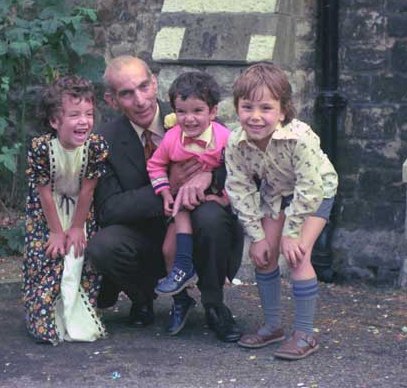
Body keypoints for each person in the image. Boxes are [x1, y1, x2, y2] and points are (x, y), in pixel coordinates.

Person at [87, 55, 243, 341]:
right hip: (146, 235)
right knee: (103, 245)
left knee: (210, 217)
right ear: (112, 101)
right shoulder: (103, 141)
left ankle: (214, 305)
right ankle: (142, 296)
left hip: (196, 226)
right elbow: (108, 209)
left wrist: (210, 177)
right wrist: (168, 187)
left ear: (155, 83)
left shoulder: (191, 113)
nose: (140, 100)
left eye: (144, 87)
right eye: (127, 93)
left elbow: (236, 160)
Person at [224, 62, 338, 360]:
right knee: (263, 258)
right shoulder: (235, 143)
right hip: (276, 196)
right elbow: (239, 188)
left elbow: (310, 188)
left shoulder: (301, 138)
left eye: (266, 108)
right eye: (247, 107)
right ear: (237, 108)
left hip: (315, 194)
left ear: (283, 112)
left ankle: (304, 333)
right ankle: (273, 325)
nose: (256, 116)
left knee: (298, 254)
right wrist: (257, 235)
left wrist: (291, 233)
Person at [22, 75, 109, 344]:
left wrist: (76, 228)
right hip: (46, 212)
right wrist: (57, 231)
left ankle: (78, 315)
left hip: (80, 210)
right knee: (48, 255)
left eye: (88, 114)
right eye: (74, 115)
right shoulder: (41, 148)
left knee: (81, 255)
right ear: (54, 121)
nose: (83, 121)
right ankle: (46, 318)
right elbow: (44, 192)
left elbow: (87, 190)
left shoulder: (95, 146)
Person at [146, 71, 232, 296]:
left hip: (210, 200)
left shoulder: (225, 139)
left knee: (208, 230)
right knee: (167, 249)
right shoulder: (172, 138)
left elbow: (237, 170)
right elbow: (155, 166)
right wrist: (165, 193)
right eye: (181, 112)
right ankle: (180, 296)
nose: (189, 118)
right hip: (182, 201)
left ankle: (209, 290)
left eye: (197, 111)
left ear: (213, 111)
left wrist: (223, 198)